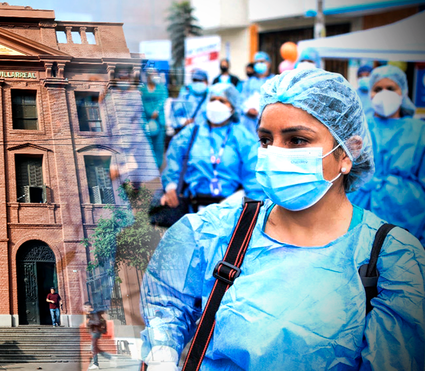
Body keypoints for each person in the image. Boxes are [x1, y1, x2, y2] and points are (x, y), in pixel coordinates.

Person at [140, 68, 425, 370]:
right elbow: (165, 307)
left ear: (347, 153)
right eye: (265, 140)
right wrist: (161, 355)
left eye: (297, 140)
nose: (274, 153)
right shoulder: (218, 231)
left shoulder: (392, 260)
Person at [160, 82, 264, 215]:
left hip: (230, 211)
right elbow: (174, 159)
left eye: (222, 101)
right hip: (193, 209)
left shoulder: (242, 137)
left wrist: (251, 208)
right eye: (212, 99)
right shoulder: (191, 132)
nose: (216, 104)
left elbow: (253, 175)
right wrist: (171, 187)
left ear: (232, 107)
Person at [349, 65, 425, 245]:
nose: (384, 93)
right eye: (378, 89)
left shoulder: (419, 130)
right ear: (370, 94)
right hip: (361, 203)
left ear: (403, 92)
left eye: (390, 88)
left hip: (407, 211)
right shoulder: (360, 128)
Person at [140, 68, 169, 168]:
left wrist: (156, 111)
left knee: (159, 145)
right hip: (146, 121)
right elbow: (141, 102)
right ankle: (148, 166)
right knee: (147, 145)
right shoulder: (142, 89)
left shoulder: (162, 88)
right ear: (147, 77)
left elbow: (163, 99)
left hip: (159, 121)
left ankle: (158, 165)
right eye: (152, 75)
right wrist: (149, 112)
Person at [241, 51, 275, 133]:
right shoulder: (248, 82)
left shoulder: (274, 81)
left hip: (268, 121)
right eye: (257, 62)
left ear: (269, 64)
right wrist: (247, 110)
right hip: (248, 122)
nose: (259, 64)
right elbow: (241, 99)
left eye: (262, 62)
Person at [170, 69, 210, 133]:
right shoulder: (211, 93)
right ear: (206, 82)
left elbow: (174, 115)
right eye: (196, 81)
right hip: (204, 135)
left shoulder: (185, 92)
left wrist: (183, 121)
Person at [84, 302, 114, 370]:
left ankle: (95, 364)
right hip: (94, 332)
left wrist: (89, 322)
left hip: (96, 332)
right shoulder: (89, 314)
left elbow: (97, 322)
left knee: (94, 347)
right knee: (95, 348)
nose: (85, 309)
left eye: (86, 307)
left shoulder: (94, 313)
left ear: (89, 306)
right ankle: (111, 358)